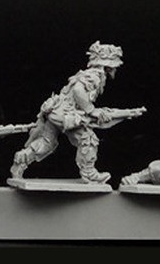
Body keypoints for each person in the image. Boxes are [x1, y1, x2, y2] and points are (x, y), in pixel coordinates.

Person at [10, 42, 128, 185]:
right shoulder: (95, 75)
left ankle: (20, 162)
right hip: (66, 116)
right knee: (88, 139)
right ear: (107, 65)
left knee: (47, 143)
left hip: (56, 112)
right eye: (114, 66)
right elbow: (78, 90)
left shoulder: (87, 74)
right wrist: (91, 110)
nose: (115, 69)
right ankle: (89, 173)